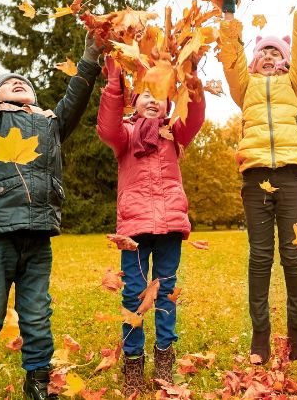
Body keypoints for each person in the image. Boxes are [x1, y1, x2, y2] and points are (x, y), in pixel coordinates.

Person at [0, 8, 103, 400]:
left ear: (36, 99)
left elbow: (76, 97)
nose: (18, 82)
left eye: (25, 83)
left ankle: (38, 383)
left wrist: (90, 58)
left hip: (38, 237)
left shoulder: (51, 125)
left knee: (37, 315)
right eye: (10, 82)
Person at [216, 0, 297, 362]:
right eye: (264, 52)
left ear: (286, 60)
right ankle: (261, 336)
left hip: (292, 174)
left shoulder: (296, 84)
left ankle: (295, 332)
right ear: (254, 62)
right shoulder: (245, 87)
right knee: (260, 255)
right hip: (256, 175)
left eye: (277, 52)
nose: (270, 56)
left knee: (292, 254)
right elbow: (230, 59)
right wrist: (228, 14)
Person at [96, 57, 205, 395]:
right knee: (134, 292)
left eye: (159, 94)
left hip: (171, 223)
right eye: (145, 93)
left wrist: (191, 76)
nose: (152, 99)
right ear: (134, 101)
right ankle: (132, 361)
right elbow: (107, 126)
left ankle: (163, 359)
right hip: (135, 226)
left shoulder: (174, 132)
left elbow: (196, 117)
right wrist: (115, 79)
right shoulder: (125, 135)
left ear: (169, 102)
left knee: (166, 291)